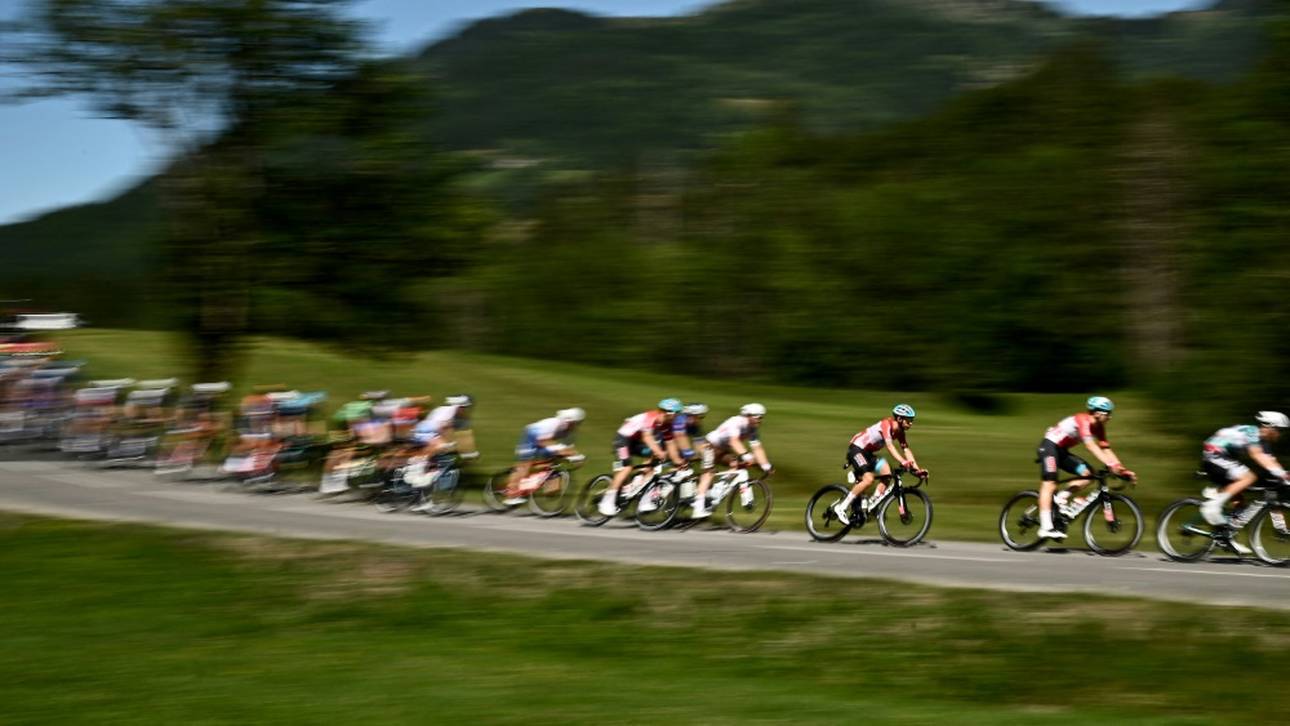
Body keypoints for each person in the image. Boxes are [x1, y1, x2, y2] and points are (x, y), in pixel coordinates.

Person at [1033, 396, 1136, 540]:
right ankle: (1045, 527)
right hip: (1049, 447)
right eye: (1108, 413)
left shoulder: (1099, 428)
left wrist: (1121, 469)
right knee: (1050, 483)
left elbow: (1106, 449)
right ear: (1097, 413)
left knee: (1089, 475)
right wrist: (1110, 464)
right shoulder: (1083, 419)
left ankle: (1060, 498)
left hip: (1061, 452)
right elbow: (1090, 446)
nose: (1110, 417)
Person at [1199, 412, 1290, 546]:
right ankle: (1212, 506)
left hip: (1223, 457)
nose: (1280, 434)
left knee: (1240, 503)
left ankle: (1226, 535)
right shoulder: (1252, 432)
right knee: (1249, 477)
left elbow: (1271, 463)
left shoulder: (1264, 443)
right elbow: (1257, 455)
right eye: (1280, 430)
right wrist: (1281, 474)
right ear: (1270, 427)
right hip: (1214, 454)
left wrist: (1284, 475)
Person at [831, 404, 926, 526]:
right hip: (857, 449)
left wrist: (917, 470)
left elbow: (906, 450)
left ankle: (872, 503)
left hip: (868, 453)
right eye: (909, 420)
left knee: (888, 473)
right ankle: (841, 507)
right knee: (869, 479)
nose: (911, 423)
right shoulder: (886, 424)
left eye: (912, 421)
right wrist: (903, 462)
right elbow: (890, 446)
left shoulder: (900, 433)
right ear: (900, 419)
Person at [599, 398, 687, 517]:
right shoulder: (651, 417)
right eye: (677, 414)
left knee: (654, 464)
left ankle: (643, 494)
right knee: (627, 468)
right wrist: (659, 452)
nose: (678, 417)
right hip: (623, 440)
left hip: (636, 443)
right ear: (669, 413)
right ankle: (606, 502)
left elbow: (670, 444)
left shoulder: (667, 425)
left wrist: (678, 461)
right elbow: (647, 437)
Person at [692, 403, 772, 519]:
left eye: (761, 417)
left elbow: (757, 448)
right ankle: (697, 508)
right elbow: (734, 442)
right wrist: (746, 456)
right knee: (708, 473)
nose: (760, 420)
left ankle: (716, 491)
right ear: (749, 416)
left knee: (736, 464)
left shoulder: (752, 429)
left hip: (722, 451)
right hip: (709, 446)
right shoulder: (736, 422)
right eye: (757, 417)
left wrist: (766, 466)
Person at [506, 407, 584, 504]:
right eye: (576, 423)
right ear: (569, 420)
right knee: (525, 465)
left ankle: (534, 483)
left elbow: (568, 448)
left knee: (553, 463)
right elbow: (543, 441)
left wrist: (577, 457)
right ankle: (511, 495)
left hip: (543, 441)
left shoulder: (569, 431)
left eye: (578, 423)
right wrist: (562, 450)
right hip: (530, 437)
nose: (576, 426)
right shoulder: (555, 423)